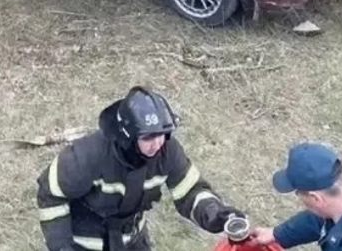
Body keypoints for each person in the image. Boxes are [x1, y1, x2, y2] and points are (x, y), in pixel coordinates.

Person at [36, 86, 247, 251]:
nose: (157, 144)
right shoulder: (87, 156)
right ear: (129, 136)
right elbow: (50, 193)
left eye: (162, 134)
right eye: (148, 138)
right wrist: (62, 246)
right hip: (87, 243)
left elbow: (190, 191)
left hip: (132, 240)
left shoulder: (167, 151)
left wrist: (215, 213)